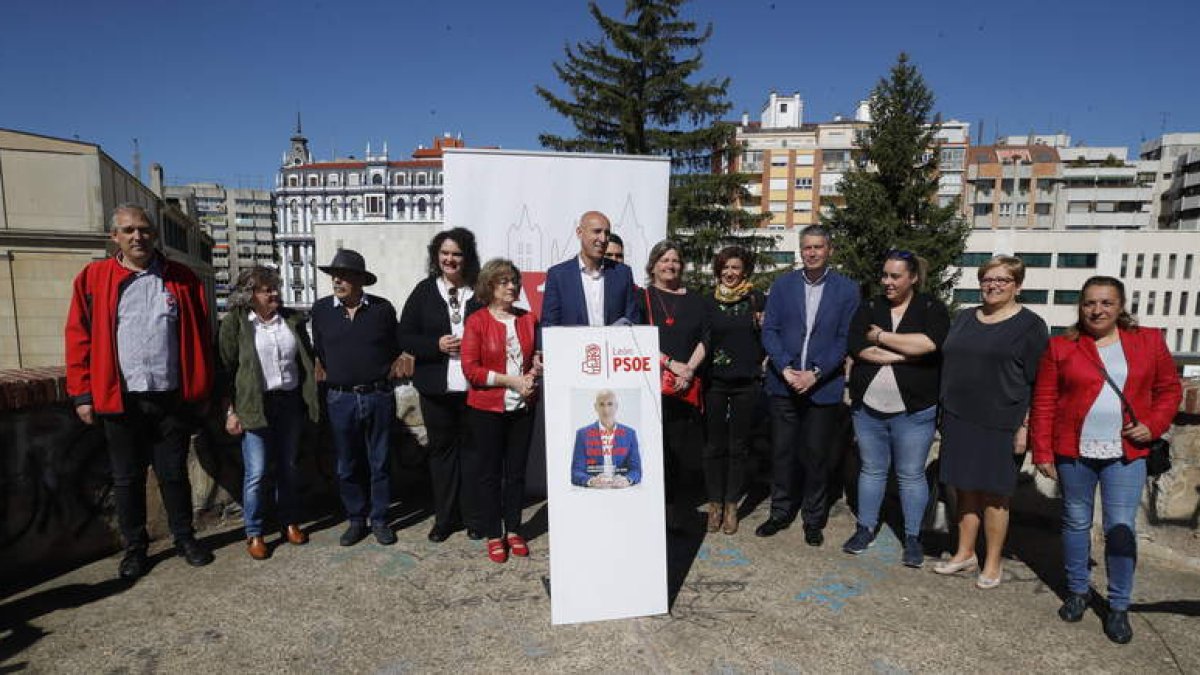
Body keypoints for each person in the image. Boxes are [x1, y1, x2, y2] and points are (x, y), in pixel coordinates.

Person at [65, 203, 215, 579]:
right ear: (114, 237)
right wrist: (83, 394)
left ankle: (184, 537)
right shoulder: (94, 278)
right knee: (127, 478)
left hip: (170, 395)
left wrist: (202, 386)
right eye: (129, 230)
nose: (138, 237)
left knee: (173, 474)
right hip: (121, 397)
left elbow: (201, 334)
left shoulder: (180, 278)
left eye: (144, 230)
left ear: (154, 235)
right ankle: (135, 548)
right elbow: (78, 337)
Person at [1030, 276, 1181, 644]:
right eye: (1089, 303)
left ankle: (1118, 606)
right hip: (1074, 450)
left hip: (1125, 454)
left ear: (1120, 306)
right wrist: (1043, 451)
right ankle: (1078, 591)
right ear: (1080, 307)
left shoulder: (1148, 341)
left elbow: (1170, 389)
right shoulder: (1061, 346)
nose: (1097, 310)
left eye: (1106, 303)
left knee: (1119, 527)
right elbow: (1045, 400)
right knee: (1076, 521)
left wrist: (1154, 424)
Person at [935, 256, 1048, 588]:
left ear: (1017, 285)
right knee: (964, 488)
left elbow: (1039, 381)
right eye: (988, 279)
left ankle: (993, 562)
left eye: (1003, 280)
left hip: (1003, 421)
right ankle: (964, 553)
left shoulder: (1031, 326)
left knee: (996, 496)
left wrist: (1026, 427)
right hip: (959, 417)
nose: (994, 285)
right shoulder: (965, 317)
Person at [841, 250, 949, 567]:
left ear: (913, 277)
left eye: (895, 276)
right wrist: (903, 354)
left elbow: (930, 344)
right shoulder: (869, 306)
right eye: (885, 275)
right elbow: (858, 347)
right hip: (868, 408)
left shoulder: (931, 307)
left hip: (914, 410)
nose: (887, 282)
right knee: (872, 470)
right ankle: (865, 528)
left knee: (911, 474)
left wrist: (881, 337)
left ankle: (913, 537)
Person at [759, 225, 860, 545]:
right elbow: (769, 330)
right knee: (783, 453)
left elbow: (846, 337)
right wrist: (785, 368)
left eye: (818, 247)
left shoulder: (847, 290)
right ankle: (779, 512)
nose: (812, 253)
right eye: (807, 248)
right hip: (783, 383)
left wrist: (815, 373)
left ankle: (813, 519)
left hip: (823, 386)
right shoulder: (782, 285)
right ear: (800, 251)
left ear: (829, 249)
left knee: (817, 456)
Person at [219, 266, 320, 560]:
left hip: (289, 403)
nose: (274, 293)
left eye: (275, 288)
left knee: (288, 467)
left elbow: (305, 360)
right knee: (257, 472)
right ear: (250, 295)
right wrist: (229, 411)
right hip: (254, 406)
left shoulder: (291, 320)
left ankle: (289, 522)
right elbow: (225, 370)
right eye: (266, 289)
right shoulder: (236, 323)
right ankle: (255, 532)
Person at [311, 249, 403, 547]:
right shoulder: (321, 310)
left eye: (345, 275)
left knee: (380, 462)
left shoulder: (382, 309)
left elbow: (393, 348)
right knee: (346, 464)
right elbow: (321, 352)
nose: (337, 280)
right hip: (340, 399)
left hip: (377, 395)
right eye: (334, 275)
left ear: (360, 280)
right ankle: (355, 519)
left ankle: (379, 519)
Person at [399, 228, 484, 542]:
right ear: (437, 256)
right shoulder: (424, 291)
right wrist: (435, 344)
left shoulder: (479, 290)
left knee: (474, 454)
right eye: (445, 253)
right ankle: (445, 519)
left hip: (475, 389)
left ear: (466, 257)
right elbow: (404, 335)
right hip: (436, 389)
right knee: (442, 455)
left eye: (457, 254)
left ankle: (475, 518)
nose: (450, 259)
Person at [461, 258, 541, 563]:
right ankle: (494, 533)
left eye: (514, 281)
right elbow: (472, 370)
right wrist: (512, 382)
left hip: (523, 407)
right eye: (504, 281)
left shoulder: (528, 319)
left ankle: (514, 530)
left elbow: (534, 357)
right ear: (489, 286)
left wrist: (535, 371)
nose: (512, 286)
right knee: (490, 474)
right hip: (486, 409)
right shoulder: (477, 321)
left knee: (517, 474)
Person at [637, 239, 709, 527]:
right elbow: (636, 338)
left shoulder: (696, 300)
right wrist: (669, 364)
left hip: (684, 388)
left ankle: (670, 514)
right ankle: (648, 512)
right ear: (653, 266)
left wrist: (688, 370)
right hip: (651, 385)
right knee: (652, 451)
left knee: (678, 453)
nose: (671, 265)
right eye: (664, 260)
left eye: (675, 260)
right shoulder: (641, 298)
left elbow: (707, 337)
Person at [702, 246, 765, 534]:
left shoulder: (757, 299)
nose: (730, 273)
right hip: (714, 382)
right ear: (718, 270)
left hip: (746, 383)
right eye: (725, 267)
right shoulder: (707, 303)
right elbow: (702, 340)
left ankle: (731, 505)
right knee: (714, 447)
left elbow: (769, 336)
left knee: (738, 448)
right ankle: (714, 504)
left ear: (745, 271)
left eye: (735, 268)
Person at [541, 210, 639, 327]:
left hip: (613, 345)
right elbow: (549, 326)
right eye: (597, 232)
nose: (603, 239)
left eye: (607, 233)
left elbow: (633, 322)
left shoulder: (623, 273)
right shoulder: (558, 275)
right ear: (579, 233)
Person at [570, 390, 642, 488]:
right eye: (602, 404)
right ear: (596, 407)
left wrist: (627, 480)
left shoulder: (630, 434)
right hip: (593, 492)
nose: (606, 410)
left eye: (610, 404)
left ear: (616, 406)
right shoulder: (582, 434)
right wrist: (591, 481)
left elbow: (636, 470)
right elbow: (576, 472)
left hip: (622, 491)